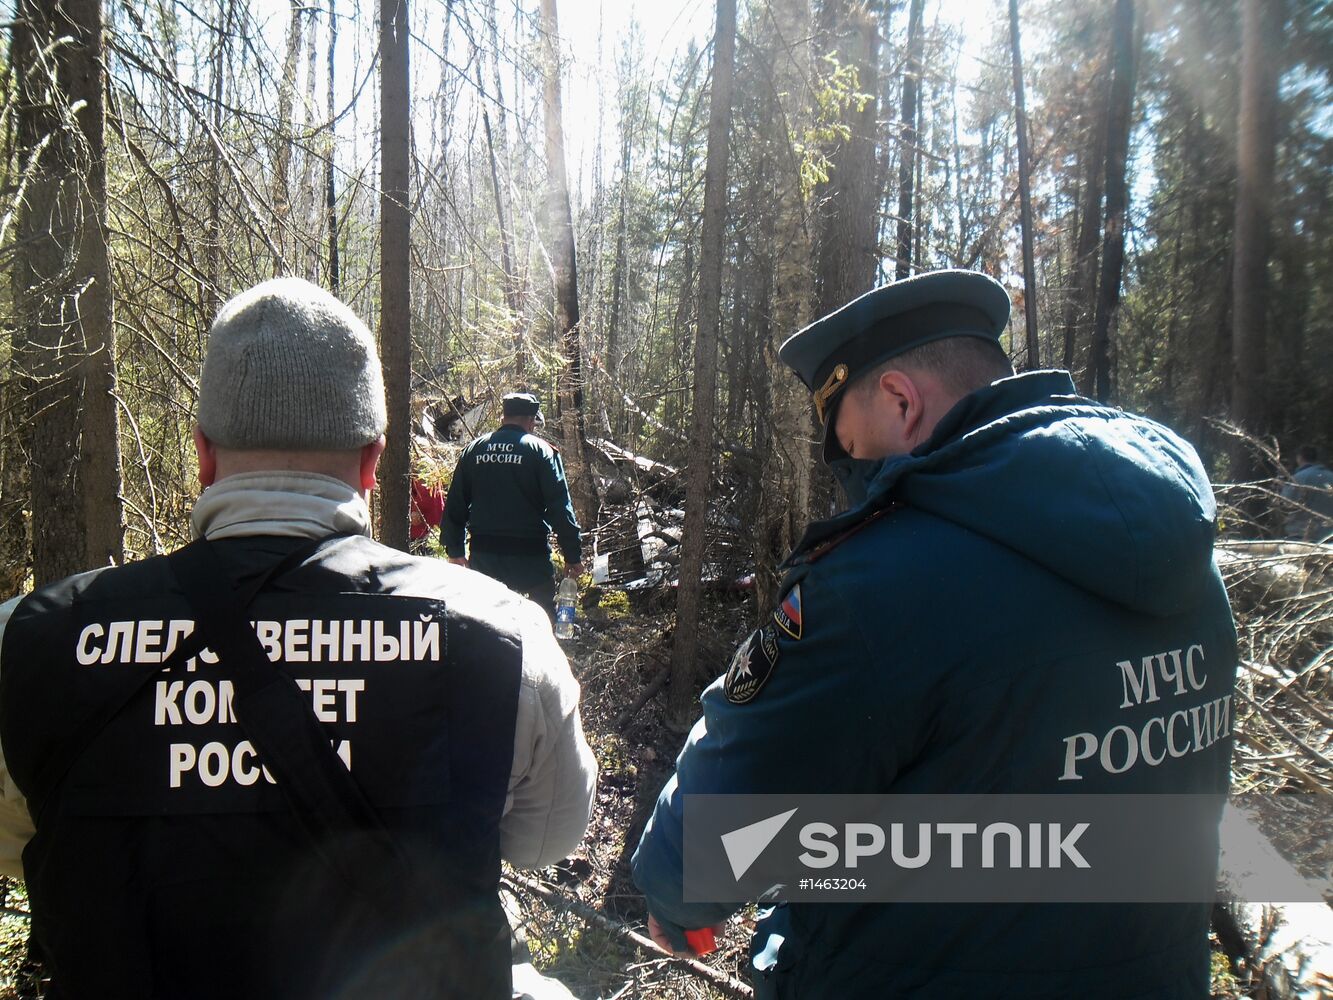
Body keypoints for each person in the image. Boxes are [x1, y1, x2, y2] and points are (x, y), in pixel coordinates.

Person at [631, 270, 1238, 999]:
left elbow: (713, 838)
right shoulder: (1187, 559)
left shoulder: (883, 584)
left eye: (852, 455)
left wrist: (672, 893)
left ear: (899, 399)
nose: (853, 481)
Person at [0, 278, 597, 999]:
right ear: (373, 463)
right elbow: (546, 841)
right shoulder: (502, 637)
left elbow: (16, 843)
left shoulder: (28, 638)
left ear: (203, 454)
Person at [443, 393, 583, 616]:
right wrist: (572, 555)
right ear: (530, 420)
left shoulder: (475, 449)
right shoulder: (542, 452)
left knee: (486, 623)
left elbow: (455, 504)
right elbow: (560, 507)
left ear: (504, 416)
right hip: (531, 561)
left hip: (484, 558)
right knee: (541, 621)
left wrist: (455, 550)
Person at [1281, 445, 1333, 541]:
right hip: (1329, 537)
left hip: (1301, 538)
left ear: (1299, 458)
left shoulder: (1297, 479)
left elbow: (1285, 505)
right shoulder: (1331, 476)